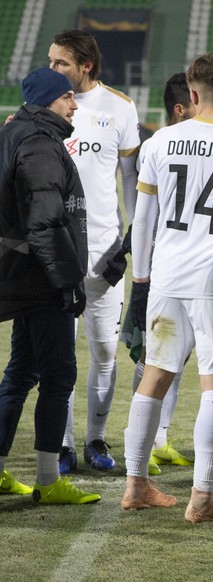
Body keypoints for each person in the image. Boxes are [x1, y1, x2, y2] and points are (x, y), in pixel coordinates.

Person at [121, 52, 213, 525]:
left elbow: (143, 221)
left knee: (154, 377)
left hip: (167, 275)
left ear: (192, 95)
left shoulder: (161, 140)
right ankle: (204, 498)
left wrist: (141, 281)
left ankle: (136, 484)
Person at [0, 68, 99, 504]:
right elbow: (44, 222)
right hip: (39, 279)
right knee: (58, 375)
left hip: (22, 273)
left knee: (20, 373)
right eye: (66, 98)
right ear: (46, 101)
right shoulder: (40, 143)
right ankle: (46, 478)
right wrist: (68, 280)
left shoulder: (19, 133)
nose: (74, 105)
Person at [48, 29, 141, 473]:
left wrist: (133, 242)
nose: (52, 70)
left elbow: (132, 185)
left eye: (60, 63)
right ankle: (62, 445)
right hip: (55, 254)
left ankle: (95, 440)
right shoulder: (43, 106)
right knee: (58, 355)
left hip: (104, 255)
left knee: (104, 352)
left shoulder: (119, 107)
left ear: (85, 65)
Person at [119, 72, 196, 477]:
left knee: (177, 357)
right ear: (181, 109)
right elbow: (143, 218)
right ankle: (140, 440)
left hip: (187, 269)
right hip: (161, 271)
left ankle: (160, 437)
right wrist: (141, 278)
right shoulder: (156, 147)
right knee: (151, 358)